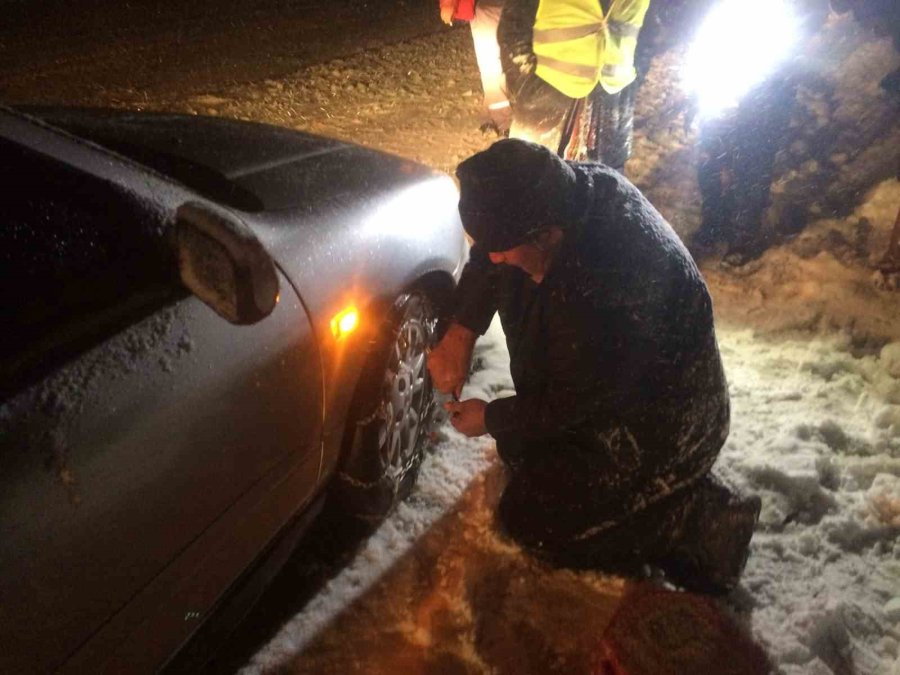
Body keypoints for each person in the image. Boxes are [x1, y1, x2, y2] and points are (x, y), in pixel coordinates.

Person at [428, 139, 761, 594]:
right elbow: (492, 256)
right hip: (602, 387)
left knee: (533, 519)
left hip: (665, 418)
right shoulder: (559, 198)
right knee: (524, 453)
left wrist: (491, 416)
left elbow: (574, 401)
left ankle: (696, 522)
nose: (494, 257)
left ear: (545, 233)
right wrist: (460, 333)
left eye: (502, 247)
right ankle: (640, 495)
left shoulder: (616, 281)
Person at [496, 0, 652, 170]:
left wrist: (633, 80)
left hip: (613, 104)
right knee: (537, 177)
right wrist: (528, 88)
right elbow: (513, 29)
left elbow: (646, 34)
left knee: (605, 182)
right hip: (548, 99)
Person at [440, 0, 512, 134]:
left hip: (520, 7)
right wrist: (448, 4)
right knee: (492, 62)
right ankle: (501, 119)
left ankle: (494, 117)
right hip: (488, 7)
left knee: (500, 62)